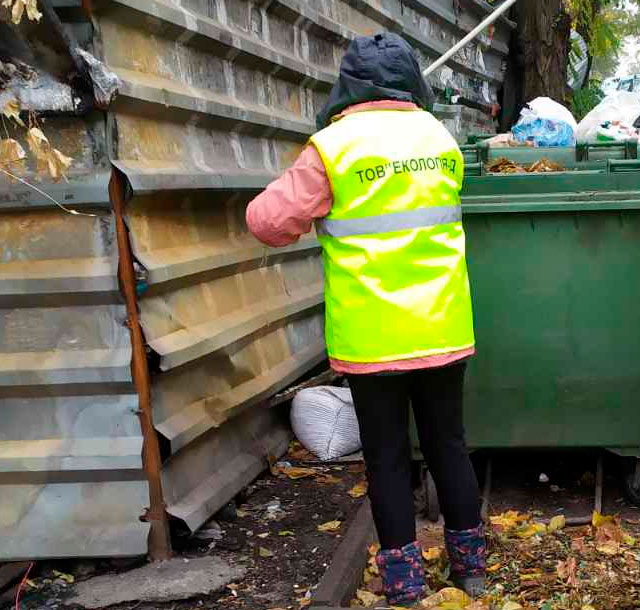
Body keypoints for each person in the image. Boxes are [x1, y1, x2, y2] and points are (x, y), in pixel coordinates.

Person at [246, 33, 484, 607]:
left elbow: (267, 222)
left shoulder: (331, 148)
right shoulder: (440, 138)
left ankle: (404, 584)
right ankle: (471, 570)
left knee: (386, 457)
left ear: (347, 84)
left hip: (373, 336)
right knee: (449, 445)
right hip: (442, 326)